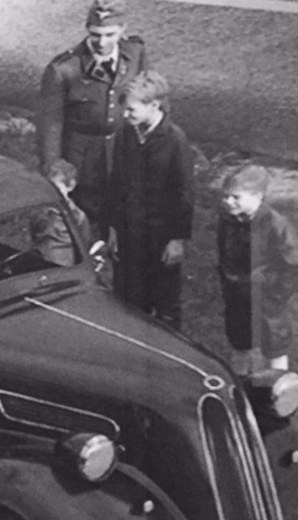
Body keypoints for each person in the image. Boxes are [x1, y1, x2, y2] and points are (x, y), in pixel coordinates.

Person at [37, 0, 147, 242]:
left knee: (123, 215)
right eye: (95, 34)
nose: (102, 42)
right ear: (87, 29)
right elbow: (50, 125)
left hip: (121, 151)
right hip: (82, 160)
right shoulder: (64, 69)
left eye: (110, 34)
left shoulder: (134, 53)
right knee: (83, 224)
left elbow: (147, 95)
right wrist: (54, 170)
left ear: (123, 30)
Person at [108, 70, 194, 330]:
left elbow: (184, 192)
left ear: (154, 105)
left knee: (166, 303)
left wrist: (177, 239)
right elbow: (117, 183)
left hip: (160, 237)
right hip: (129, 233)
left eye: (131, 109)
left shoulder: (175, 140)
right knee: (129, 300)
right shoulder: (125, 135)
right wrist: (113, 228)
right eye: (124, 109)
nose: (125, 115)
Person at [217, 165, 298, 374]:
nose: (228, 202)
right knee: (239, 342)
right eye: (226, 196)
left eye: (236, 197)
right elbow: (224, 252)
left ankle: (278, 384)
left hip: (267, 299)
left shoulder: (277, 225)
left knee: (274, 346)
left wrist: (276, 295)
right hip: (237, 294)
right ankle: (239, 381)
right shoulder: (227, 221)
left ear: (257, 196)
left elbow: (294, 264)